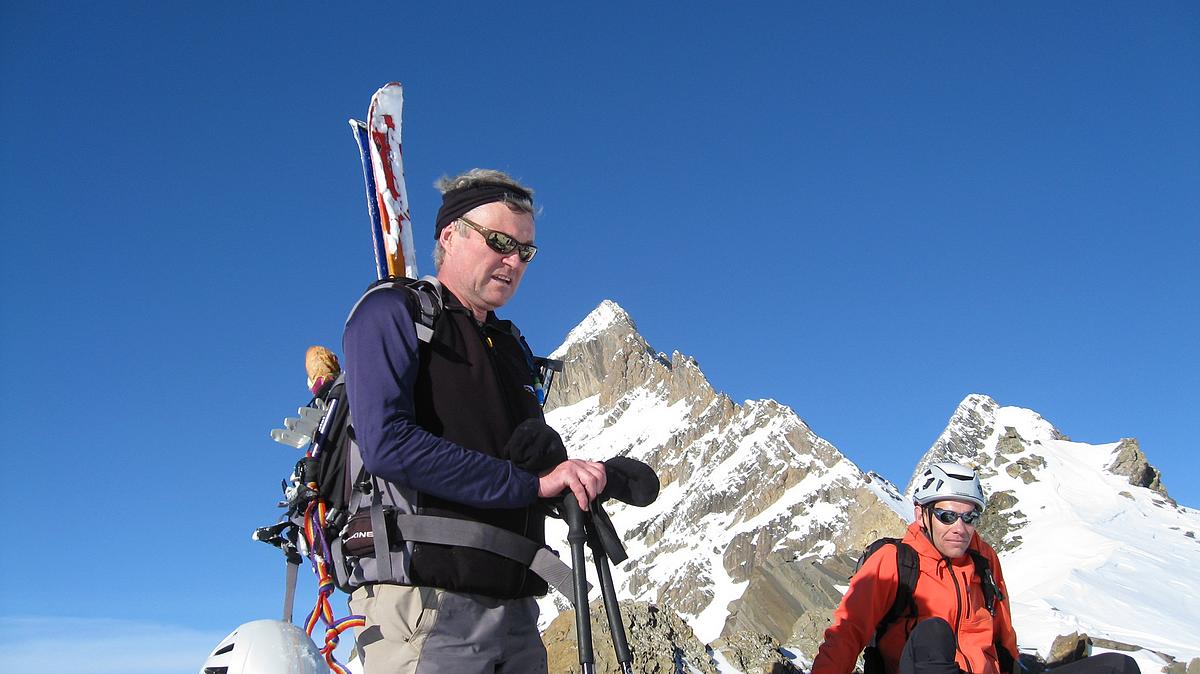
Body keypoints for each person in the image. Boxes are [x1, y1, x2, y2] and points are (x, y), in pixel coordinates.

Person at [342, 169, 607, 674]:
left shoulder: (511, 347)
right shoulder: (395, 312)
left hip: (517, 609)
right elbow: (388, 444)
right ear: (450, 235)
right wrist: (530, 484)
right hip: (428, 606)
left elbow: (515, 475)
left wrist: (579, 479)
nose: (514, 261)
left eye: (526, 250)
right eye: (501, 242)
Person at [811, 462, 1140, 674]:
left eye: (969, 517)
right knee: (933, 634)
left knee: (1118, 667)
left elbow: (1004, 640)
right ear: (921, 515)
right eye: (947, 516)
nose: (960, 527)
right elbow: (847, 633)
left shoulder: (984, 562)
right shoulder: (894, 560)